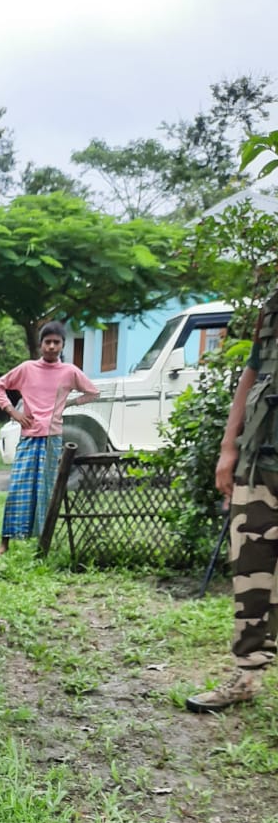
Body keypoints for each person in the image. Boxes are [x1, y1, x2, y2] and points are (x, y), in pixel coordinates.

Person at [186, 289, 278, 712]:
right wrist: (229, 447)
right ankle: (246, 676)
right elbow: (251, 374)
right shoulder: (274, 304)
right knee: (251, 575)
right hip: (262, 464)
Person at [0, 322, 99, 555]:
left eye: (56, 342)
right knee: (17, 489)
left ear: (62, 345)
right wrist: (13, 412)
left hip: (53, 439)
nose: (51, 346)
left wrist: (68, 403)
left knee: (46, 491)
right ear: (40, 345)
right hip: (29, 438)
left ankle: (42, 544)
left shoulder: (69, 372)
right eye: (47, 342)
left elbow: (93, 393)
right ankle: (5, 542)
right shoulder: (27, 368)